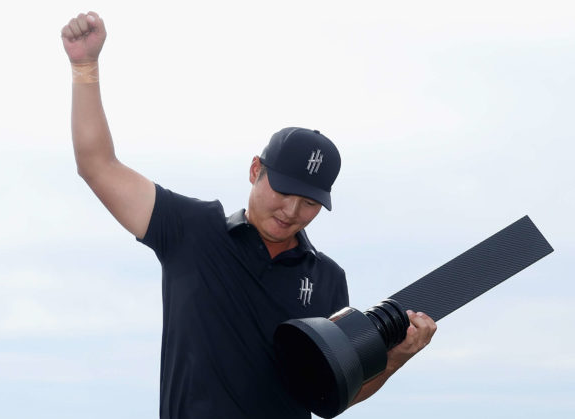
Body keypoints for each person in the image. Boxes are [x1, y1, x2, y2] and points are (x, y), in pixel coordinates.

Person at [61, 11, 437, 419]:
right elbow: (96, 165)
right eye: (284, 191)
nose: (292, 211)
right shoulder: (190, 230)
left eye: (310, 203)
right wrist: (85, 67)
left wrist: (397, 358)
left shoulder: (329, 280)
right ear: (256, 170)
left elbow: (333, 392)